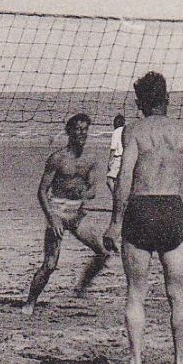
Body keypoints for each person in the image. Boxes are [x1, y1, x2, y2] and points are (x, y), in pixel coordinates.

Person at [103, 72, 183, 364]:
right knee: (177, 292)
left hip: (141, 208)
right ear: (167, 99)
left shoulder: (134, 131)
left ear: (139, 102)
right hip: (172, 211)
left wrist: (115, 223)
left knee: (136, 293)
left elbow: (124, 178)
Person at [23, 113, 112, 314]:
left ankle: (81, 288)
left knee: (104, 252)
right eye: (78, 129)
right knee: (50, 264)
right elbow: (41, 192)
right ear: (69, 132)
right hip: (57, 211)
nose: (82, 133)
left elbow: (92, 189)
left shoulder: (90, 159)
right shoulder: (57, 158)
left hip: (76, 213)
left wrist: (88, 193)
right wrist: (51, 217)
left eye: (85, 129)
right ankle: (30, 302)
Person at [106, 113, 127, 192]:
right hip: (126, 157)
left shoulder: (116, 131)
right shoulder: (127, 130)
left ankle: (116, 195)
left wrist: (110, 161)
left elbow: (113, 148)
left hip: (118, 158)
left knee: (109, 180)